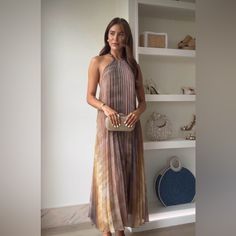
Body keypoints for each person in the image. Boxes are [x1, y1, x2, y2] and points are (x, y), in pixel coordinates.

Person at [86, 17, 149, 236]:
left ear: (127, 38)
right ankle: (110, 230)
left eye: (120, 34)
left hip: (130, 129)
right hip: (107, 129)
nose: (115, 38)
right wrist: (105, 107)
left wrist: (136, 113)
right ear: (106, 35)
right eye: (112, 33)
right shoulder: (98, 61)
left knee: (126, 178)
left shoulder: (133, 65)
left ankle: (118, 227)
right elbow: (89, 97)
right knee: (108, 180)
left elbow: (143, 102)